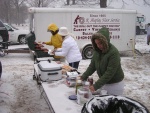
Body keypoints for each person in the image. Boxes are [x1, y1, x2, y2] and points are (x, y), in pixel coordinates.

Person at [81, 27, 124, 95]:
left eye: (100, 43)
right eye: (96, 44)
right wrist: (83, 76)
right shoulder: (97, 52)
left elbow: (109, 73)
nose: (98, 46)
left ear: (106, 41)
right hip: (104, 83)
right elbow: (92, 66)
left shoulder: (113, 53)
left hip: (115, 85)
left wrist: (96, 86)